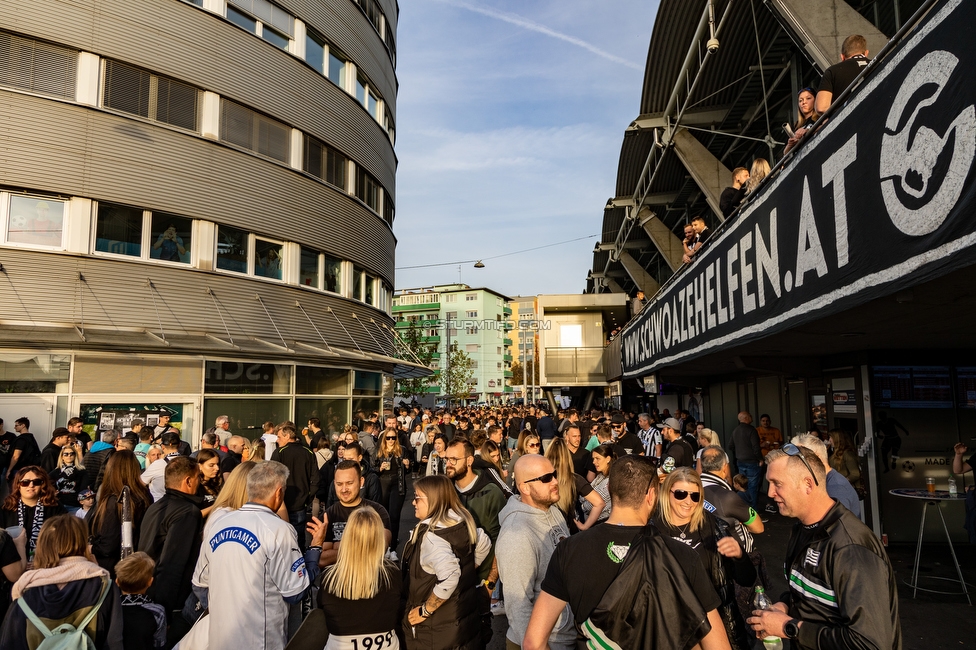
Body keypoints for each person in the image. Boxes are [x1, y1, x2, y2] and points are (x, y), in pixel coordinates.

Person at [522, 456, 727, 650]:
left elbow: (533, 643)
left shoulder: (568, 550)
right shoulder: (683, 555)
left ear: (610, 489)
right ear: (652, 494)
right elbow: (717, 645)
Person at [747, 445, 901, 649]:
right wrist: (785, 605)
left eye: (777, 484)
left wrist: (789, 627)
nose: (770, 493)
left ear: (808, 485)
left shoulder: (851, 547)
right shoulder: (801, 529)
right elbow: (808, 595)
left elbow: (870, 643)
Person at [192, 461, 327, 650]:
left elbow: (200, 584)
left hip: (220, 638)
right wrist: (316, 547)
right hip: (260, 640)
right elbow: (296, 591)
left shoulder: (219, 524)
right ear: (279, 492)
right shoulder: (279, 529)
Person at [654, 467, 756, 650]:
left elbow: (747, 579)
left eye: (695, 496)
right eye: (680, 494)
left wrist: (740, 556)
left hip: (714, 616)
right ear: (666, 492)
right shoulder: (652, 531)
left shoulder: (715, 527)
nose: (688, 501)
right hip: (671, 620)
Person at [0, 515, 123, 650]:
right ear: (82, 543)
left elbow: (10, 642)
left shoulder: (24, 592)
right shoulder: (104, 587)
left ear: (43, 545)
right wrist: (95, 569)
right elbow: (114, 641)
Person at [401, 475, 491, 650]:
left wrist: (425, 610)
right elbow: (484, 543)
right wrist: (469, 570)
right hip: (463, 622)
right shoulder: (464, 523)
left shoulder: (432, 538)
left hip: (436, 632)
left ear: (434, 500)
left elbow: (450, 577)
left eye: (417, 497)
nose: (413, 502)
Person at [497, 454, 574, 650]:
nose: (555, 481)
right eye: (546, 478)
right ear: (524, 487)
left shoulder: (553, 511)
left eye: (554, 475)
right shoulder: (517, 534)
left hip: (564, 636)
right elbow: (517, 604)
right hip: (541, 643)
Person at [318, 507, 403, 650]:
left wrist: (316, 546)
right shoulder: (392, 574)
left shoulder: (329, 577)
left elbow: (322, 609)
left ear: (347, 536)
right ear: (378, 537)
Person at [138, 455, 203, 621]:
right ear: (188, 480)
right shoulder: (187, 512)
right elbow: (173, 562)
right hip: (170, 601)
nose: (200, 482)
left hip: (148, 589)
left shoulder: (155, 507)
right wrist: (165, 611)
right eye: (198, 477)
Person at [88, 450, 153, 575]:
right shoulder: (144, 495)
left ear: (112, 469)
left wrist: (90, 548)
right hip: (136, 562)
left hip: (113, 567)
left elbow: (108, 544)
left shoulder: (115, 500)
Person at [319, 460, 392, 568]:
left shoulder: (378, 512)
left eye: (349, 483)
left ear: (361, 481)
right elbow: (321, 560)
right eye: (339, 484)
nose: (344, 489)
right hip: (337, 582)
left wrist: (338, 548)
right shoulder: (327, 516)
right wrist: (363, 546)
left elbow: (379, 550)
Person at [699, 446, 764, 550]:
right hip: (734, 555)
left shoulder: (691, 488)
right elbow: (758, 527)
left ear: (701, 466)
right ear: (725, 467)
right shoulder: (727, 497)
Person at [1, 466, 66, 564]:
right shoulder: (7, 508)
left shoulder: (55, 507)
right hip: (13, 564)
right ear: (18, 485)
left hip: (46, 563)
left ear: (42, 485)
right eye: (25, 482)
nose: (31, 485)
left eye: (36, 482)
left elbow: (65, 537)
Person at [271, 422, 319, 551]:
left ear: (287, 436)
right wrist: (307, 499)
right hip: (299, 504)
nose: (277, 439)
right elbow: (315, 479)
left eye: (279, 436)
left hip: (281, 504)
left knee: (281, 541)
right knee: (298, 540)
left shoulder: (279, 452)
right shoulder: (308, 452)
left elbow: (271, 478)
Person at [791, 433, 860, 517]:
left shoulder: (836, 487)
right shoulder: (825, 482)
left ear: (816, 458)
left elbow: (838, 526)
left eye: (799, 459)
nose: (794, 465)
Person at [546, 437, 604, 534]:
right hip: (568, 530)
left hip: (546, 530)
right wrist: (585, 526)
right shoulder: (575, 479)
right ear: (567, 457)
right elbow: (599, 503)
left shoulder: (541, 479)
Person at [116, 551, 167, 649]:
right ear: (150, 582)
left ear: (117, 581)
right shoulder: (157, 612)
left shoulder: (109, 609)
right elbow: (160, 644)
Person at [373, 425, 411, 549]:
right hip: (383, 483)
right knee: (383, 516)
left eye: (393, 438)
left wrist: (407, 465)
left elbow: (412, 467)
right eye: (388, 438)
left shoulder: (402, 450)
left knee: (394, 516)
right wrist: (380, 468)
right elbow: (372, 468)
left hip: (398, 484)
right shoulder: (378, 451)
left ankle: (393, 547)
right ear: (384, 439)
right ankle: (384, 545)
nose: (390, 440)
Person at [815, 34, 870, 115]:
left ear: (842, 56)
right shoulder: (882, 65)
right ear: (866, 53)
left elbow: (821, 108)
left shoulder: (833, 71)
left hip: (849, 123)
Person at [727, 411, 762, 508]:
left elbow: (730, 446)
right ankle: (753, 510)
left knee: (742, 486)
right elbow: (756, 447)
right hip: (752, 462)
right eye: (750, 416)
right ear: (746, 418)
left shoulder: (736, 430)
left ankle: (743, 508)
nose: (752, 417)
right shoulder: (751, 430)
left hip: (740, 461)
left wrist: (739, 450)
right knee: (752, 487)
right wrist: (760, 459)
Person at [49, 443, 89, 512]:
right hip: (59, 505)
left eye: (72, 453)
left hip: (75, 505)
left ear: (75, 455)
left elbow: (83, 489)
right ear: (62, 457)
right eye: (66, 454)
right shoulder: (55, 472)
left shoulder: (82, 471)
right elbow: (47, 485)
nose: (69, 455)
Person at [141, 431, 181, 500]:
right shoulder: (189, 462)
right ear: (180, 445)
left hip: (160, 505)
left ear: (162, 447)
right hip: (184, 505)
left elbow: (141, 482)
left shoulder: (158, 464)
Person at [784, 87, 820, 153]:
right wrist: (789, 145)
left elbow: (827, 123)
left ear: (815, 100)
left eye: (808, 98)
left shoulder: (820, 117)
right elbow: (785, 153)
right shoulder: (795, 126)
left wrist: (807, 131)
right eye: (800, 100)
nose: (804, 102)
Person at [584, 444, 614, 523]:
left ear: (608, 459)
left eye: (597, 458)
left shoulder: (611, 480)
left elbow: (589, 506)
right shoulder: (600, 476)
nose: (594, 462)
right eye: (593, 459)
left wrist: (582, 505)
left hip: (602, 522)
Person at [7, 418, 41, 485]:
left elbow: (16, 456)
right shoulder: (31, 439)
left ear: (23, 425)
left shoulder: (21, 440)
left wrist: (9, 470)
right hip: (30, 470)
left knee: (15, 491)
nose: (14, 427)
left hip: (19, 470)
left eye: (16, 425)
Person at [195, 448, 223, 516]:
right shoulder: (195, 487)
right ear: (200, 466)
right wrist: (216, 506)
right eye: (211, 465)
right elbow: (194, 515)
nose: (217, 468)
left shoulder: (218, 483)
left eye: (217, 464)